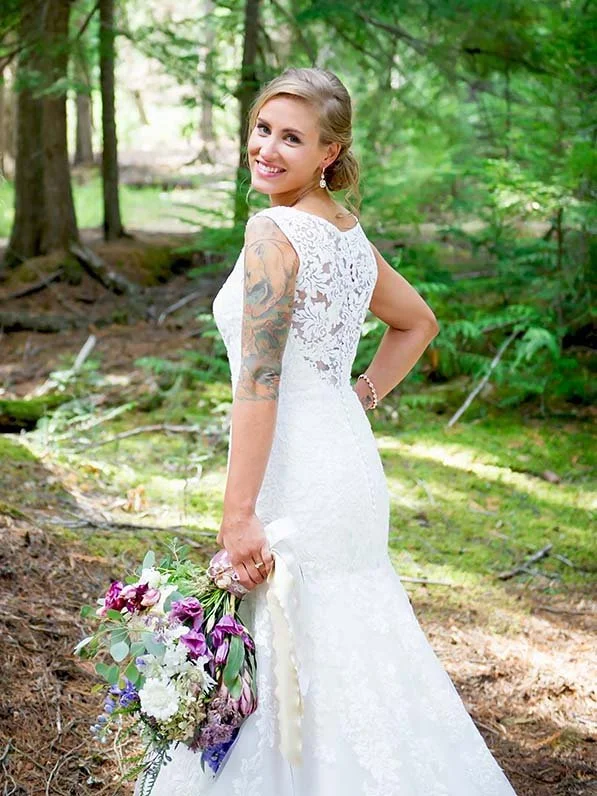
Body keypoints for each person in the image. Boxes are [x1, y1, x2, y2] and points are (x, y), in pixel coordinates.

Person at [141, 67, 518, 795]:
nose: (267, 150)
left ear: (328, 153)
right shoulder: (341, 230)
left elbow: (259, 382)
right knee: (346, 642)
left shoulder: (273, 232)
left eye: (291, 138)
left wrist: (236, 515)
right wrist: (356, 397)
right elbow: (417, 323)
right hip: (343, 460)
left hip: (297, 472)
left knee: (299, 642)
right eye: (261, 130)